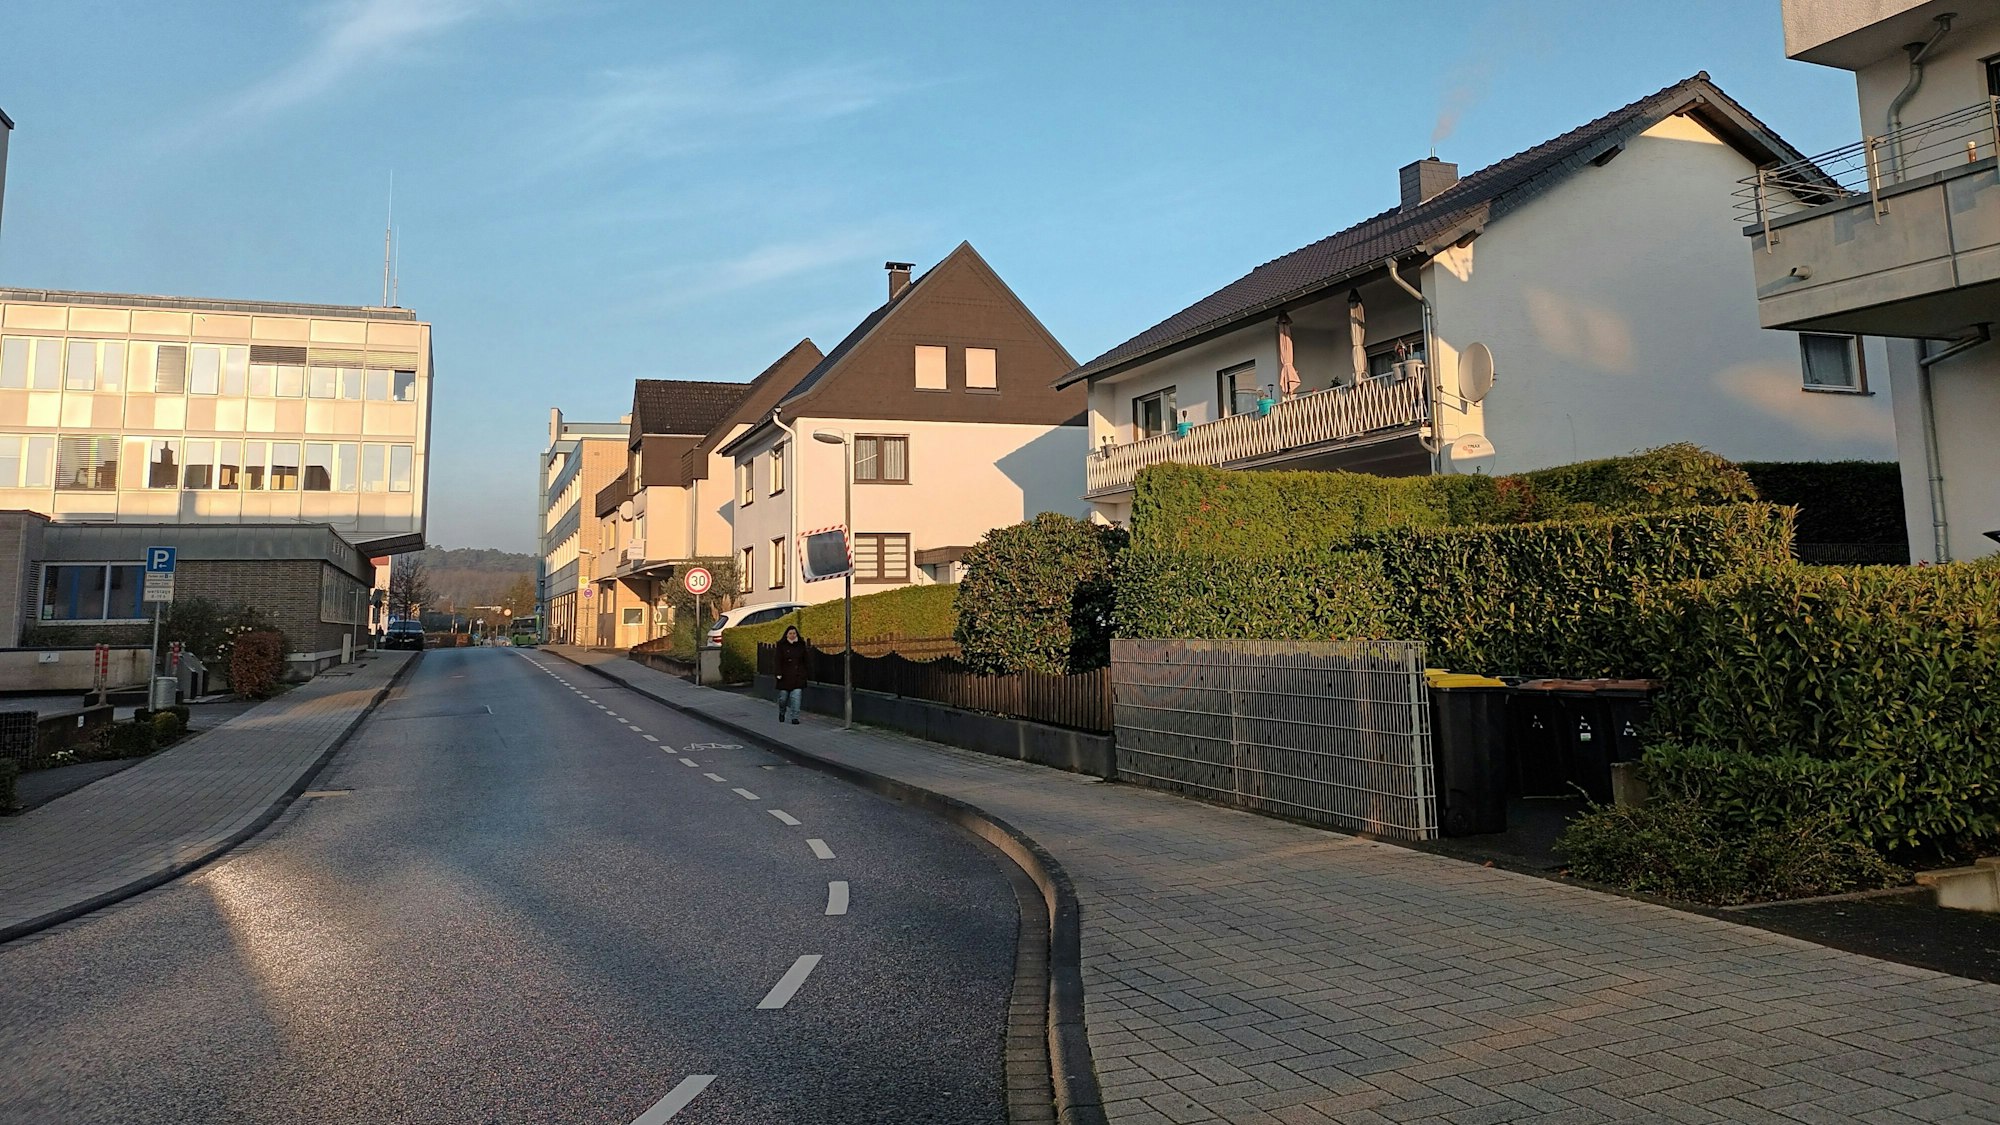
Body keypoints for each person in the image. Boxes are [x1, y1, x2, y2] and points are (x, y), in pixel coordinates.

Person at [773, 625, 808, 724]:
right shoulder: (781, 645)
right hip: (784, 677)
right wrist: (778, 673)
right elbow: (777, 660)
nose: (792, 635)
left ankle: (795, 717)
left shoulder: (801, 645)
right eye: (790, 633)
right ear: (787, 635)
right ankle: (782, 712)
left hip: (798, 676)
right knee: (783, 699)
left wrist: (805, 673)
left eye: (794, 633)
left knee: (796, 698)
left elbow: (806, 660)